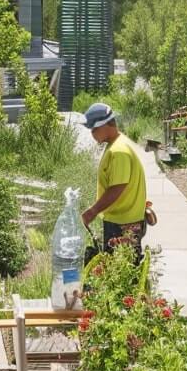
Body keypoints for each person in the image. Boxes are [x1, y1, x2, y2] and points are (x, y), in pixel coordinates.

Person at [80, 102, 147, 258]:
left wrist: (93, 211)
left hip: (123, 223)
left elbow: (117, 188)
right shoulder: (117, 144)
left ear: (106, 125)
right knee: (121, 269)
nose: (92, 134)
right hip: (122, 218)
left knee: (122, 270)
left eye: (93, 129)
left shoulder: (118, 151)